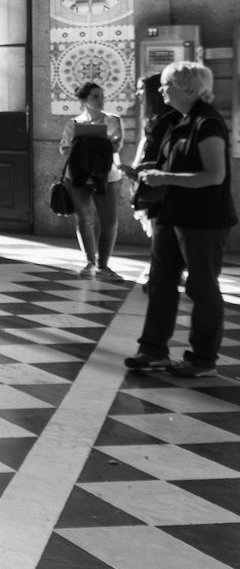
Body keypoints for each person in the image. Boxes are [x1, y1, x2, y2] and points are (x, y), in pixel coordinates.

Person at [127, 61, 234, 378]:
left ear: (188, 87)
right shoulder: (179, 121)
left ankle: (203, 358)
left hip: (202, 220)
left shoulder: (207, 123)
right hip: (171, 216)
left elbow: (214, 176)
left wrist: (164, 177)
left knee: (202, 288)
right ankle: (153, 350)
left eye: (166, 84)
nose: (160, 91)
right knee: (161, 284)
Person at [60, 82, 125, 278]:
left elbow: (116, 146)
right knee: (84, 218)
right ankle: (90, 262)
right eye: (95, 96)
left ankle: (103, 265)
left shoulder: (113, 120)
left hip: (106, 175)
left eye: (102, 96)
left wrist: (89, 146)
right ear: (84, 100)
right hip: (78, 175)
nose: (101, 100)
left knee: (109, 220)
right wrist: (87, 147)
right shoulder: (73, 123)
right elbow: (64, 148)